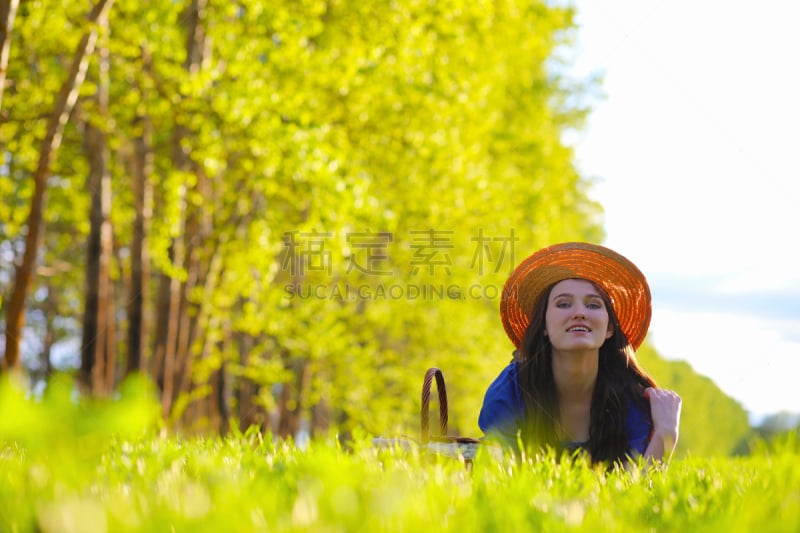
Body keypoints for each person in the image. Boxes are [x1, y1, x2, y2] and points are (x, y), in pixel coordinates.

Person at [479, 242, 681, 465]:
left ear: (609, 329)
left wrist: (666, 434)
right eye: (563, 304)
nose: (579, 313)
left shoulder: (632, 401)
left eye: (593, 306)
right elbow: (501, 482)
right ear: (544, 325)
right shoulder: (512, 389)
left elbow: (637, 492)